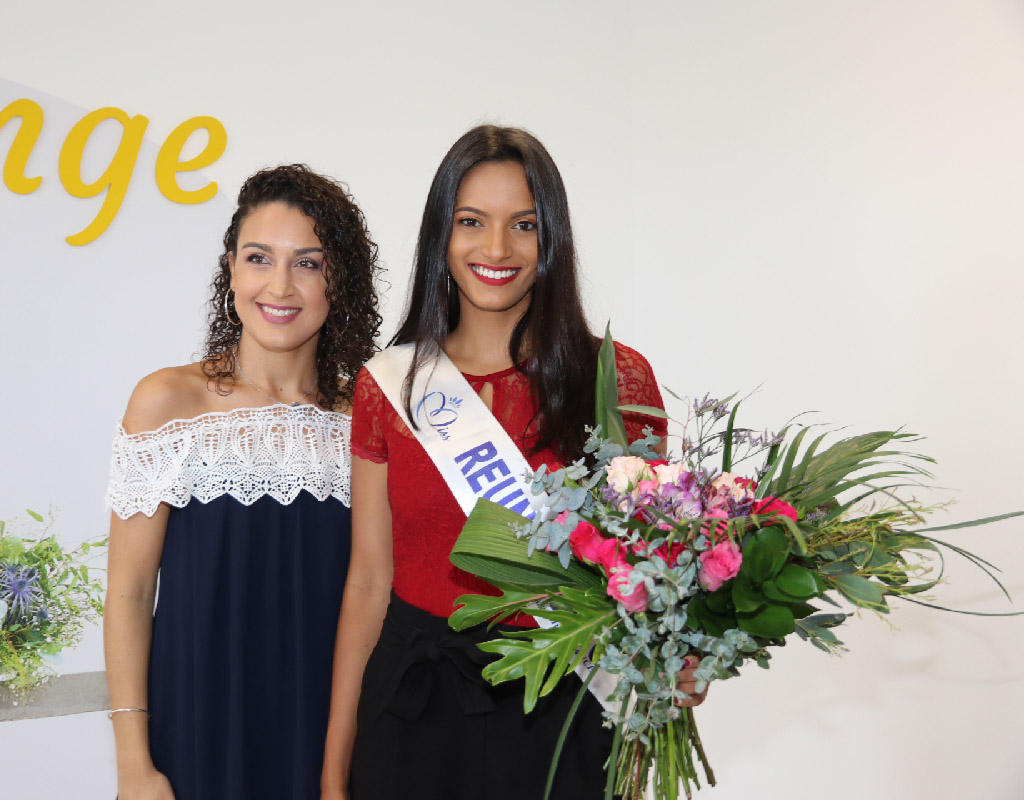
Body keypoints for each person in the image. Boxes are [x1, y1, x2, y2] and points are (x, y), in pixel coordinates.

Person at [320, 125, 704, 800]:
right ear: (442, 235)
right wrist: (332, 773)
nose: (495, 248)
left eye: (522, 225)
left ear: (549, 240)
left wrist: (675, 665)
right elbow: (368, 582)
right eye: (472, 221)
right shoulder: (391, 387)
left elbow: (651, 571)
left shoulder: (615, 380)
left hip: (562, 712)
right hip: (413, 707)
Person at [103, 164, 380, 800]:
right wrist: (133, 765)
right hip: (198, 733)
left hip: (329, 743)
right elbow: (129, 592)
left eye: (308, 263)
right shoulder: (166, 401)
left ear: (340, 280)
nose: (280, 285)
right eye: (260, 258)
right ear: (231, 270)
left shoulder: (365, 420)